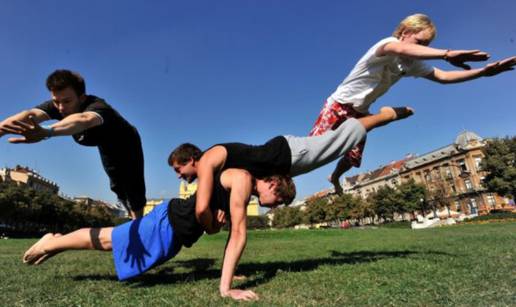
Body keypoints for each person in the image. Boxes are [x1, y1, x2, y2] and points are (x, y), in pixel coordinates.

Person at [309, 13, 516, 195]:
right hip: (340, 104)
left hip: (361, 112)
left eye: (425, 45)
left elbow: (443, 76)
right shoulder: (387, 44)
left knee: (353, 158)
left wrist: (483, 73)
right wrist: (446, 54)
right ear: (405, 31)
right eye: (419, 42)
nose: (422, 48)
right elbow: (400, 48)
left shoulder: (411, 64)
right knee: (312, 150)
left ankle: (335, 177)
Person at [23, 169, 295, 302]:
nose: (275, 206)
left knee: (111, 240)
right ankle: (54, 241)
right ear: (272, 184)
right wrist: (226, 290)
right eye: (279, 200)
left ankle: (55, 242)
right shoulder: (243, 178)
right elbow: (236, 234)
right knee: (109, 239)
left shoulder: (242, 188)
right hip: (167, 223)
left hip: (173, 232)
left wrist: (227, 266)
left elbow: (216, 229)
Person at [169, 106, 411, 233]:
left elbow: (201, 210)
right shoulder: (213, 170)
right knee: (332, 140)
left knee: (337, 143)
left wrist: (211, 227)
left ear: (192, 159)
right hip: (285, 160)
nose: (180, 176)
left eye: (179, 169)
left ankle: (384, 116)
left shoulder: (208, 162)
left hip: (286, 156)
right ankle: (358, 118)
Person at [0, 69, 146, 219]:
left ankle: (139, 224)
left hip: (127, 143)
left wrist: (47, 132)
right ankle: (130, 213)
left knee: (134, 188)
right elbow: (28, 115)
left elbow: (83, 119)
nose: (61, 108)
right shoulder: (58, 105)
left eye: (67, 101)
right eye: (56, 101)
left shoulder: (98, 107)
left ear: (81, 98)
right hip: (105, 146)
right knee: (117, 186)